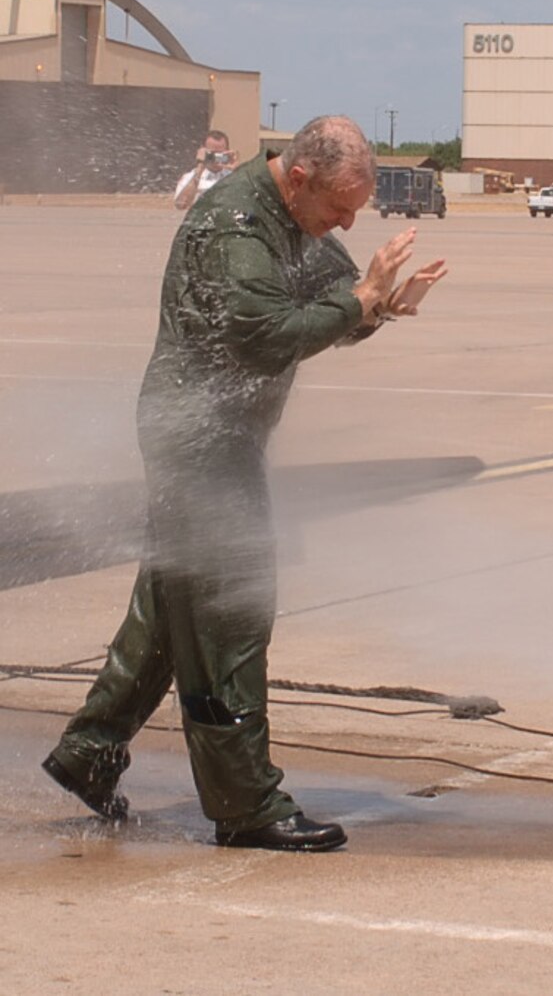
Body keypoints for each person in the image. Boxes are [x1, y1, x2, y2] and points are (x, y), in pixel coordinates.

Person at [41, 115, 449, 852]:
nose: (348, 221)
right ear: (299, 177)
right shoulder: (233, 227)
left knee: (173, 611)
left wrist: (380, 304)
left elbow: (334, 303)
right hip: (199, 445)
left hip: (217, 440)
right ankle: (246, 804)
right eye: (339, 207)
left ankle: (89, 753)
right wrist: (359, 303)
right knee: (231, 615)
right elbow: (266, 335)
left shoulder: (293, 214)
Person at [172, 130, 236, 210]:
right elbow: (180, 205)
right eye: (212, 154)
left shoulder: (235, 176)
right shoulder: (190, 177)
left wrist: (236, 169)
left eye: (220, 153)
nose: (216, 157)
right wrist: (200, 166)